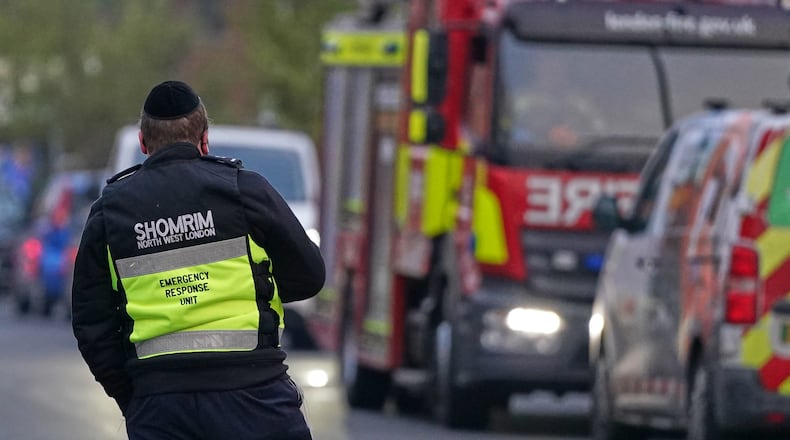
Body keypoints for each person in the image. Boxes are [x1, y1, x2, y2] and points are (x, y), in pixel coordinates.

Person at [71, 80, 325, 440]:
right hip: (255, 397)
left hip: (160, 407)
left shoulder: (109, 214)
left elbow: (90, 324)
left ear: (144, 144)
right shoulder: (244, 191)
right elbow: (310, 275)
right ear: (205, 138)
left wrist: (136, 397)